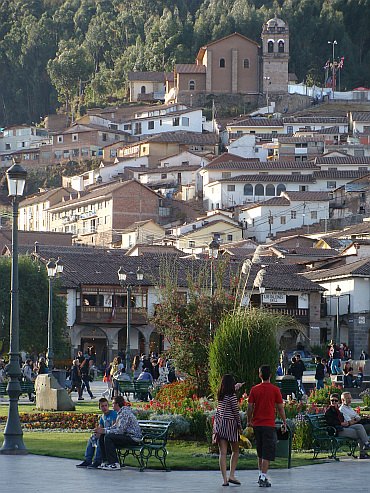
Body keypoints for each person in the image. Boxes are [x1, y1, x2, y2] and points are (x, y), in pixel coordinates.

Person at [247, 365, 287, 488]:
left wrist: (249, 421)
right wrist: (284, 422)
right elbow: (280, 408)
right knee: (267, 453)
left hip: (257, 425)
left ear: (260, 376)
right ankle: (263, 477)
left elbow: (250, 407)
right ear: (270, 375)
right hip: (269, 425)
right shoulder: (275, 390)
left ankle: (260, 474)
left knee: (260, 452)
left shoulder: (254, 389)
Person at [94, 395, 142, 470]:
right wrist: (103, 430)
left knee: (108, 437)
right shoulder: (120, 413)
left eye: (113, 404)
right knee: (103, 436)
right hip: (127, 436)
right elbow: (115, 427)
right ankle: (106, 461)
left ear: (117, 404)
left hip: (133, 438)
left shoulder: (124, 413)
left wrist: (105, 431)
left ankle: (114, 463)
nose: (112, 405)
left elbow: (120, 430)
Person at [212, 374, 243, 487]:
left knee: (223, 453)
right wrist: (240, 426)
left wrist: (237, 386)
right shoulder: (232, 396)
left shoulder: (219, 394)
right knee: (235, 451)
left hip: (220, 425)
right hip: (230, 425)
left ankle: (225, 480)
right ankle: (232, 475)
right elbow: (235, 412)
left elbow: (228, 391)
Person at [324, 393, 370, 459]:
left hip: (343, 427)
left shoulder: (338, 410)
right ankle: (364, 450)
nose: (334, 402)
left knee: (359, 427)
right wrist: (341, 424)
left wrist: (344, 423)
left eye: (335, 400)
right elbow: (330, 422)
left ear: (338, 401)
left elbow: (345, 420)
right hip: (337, 431)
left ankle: (366, 445)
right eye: (332, 400)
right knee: (360, 433)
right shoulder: (329, 411)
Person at [76, 397, 117, 468]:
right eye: (102, 406)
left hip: (111, 436)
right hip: (104, 434)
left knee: (100, 439)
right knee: (92, 438)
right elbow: (100, 428)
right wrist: (95, 434)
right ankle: (88, 460)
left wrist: (100, 433)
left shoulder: (113, 414)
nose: (104, 408)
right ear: (99, 408)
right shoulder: (102, 418)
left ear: (108, 406)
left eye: (105, 405)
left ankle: (97, 461)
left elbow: (113, 428)